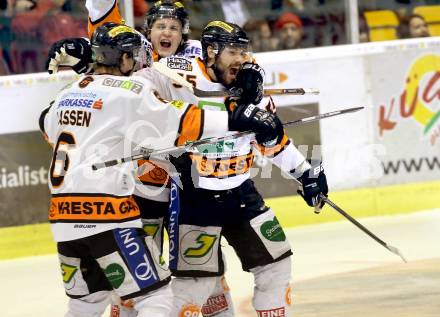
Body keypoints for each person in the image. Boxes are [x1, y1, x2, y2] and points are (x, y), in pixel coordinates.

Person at [40, 21, 282, 317]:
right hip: (108, 215)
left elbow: (48, 125)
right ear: (125, 59)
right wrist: (240, 118)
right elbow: (184, 122)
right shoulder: (131, 89)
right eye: (135, 57)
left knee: (85, 303)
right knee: (156, 297)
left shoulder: (67, 93)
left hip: (62, 219)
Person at [156, 20, 329, 317]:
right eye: (232, 51)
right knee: (195, 286)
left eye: (243, 51)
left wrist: (306, 174)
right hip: (194, 199)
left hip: (241, 194)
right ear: (210, 51)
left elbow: (271, 142)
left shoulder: (250, 83)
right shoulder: (177, 75)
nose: (241, 58)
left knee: (276, 265)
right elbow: (153, 102)